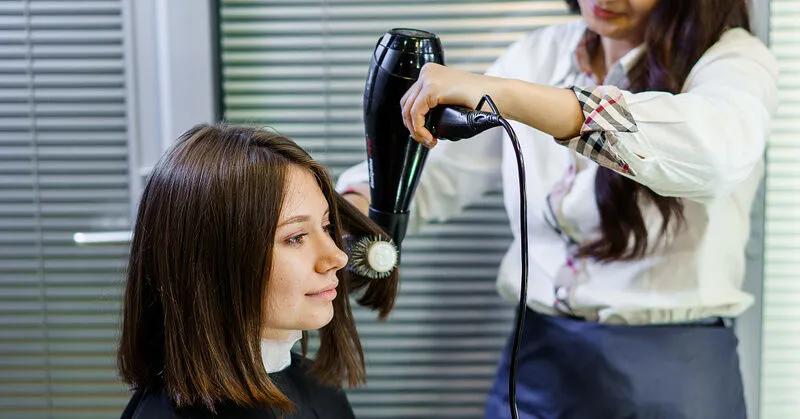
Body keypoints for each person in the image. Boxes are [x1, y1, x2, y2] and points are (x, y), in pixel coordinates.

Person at [337, 0, 779, 418]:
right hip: (539, 363)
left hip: (675, 377)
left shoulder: (733, 61)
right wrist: (353, 209)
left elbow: (714, 155)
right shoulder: (539, 54)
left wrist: (512, 97)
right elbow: (442, 169)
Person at [117, 124, 399, 419]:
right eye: (296, 238)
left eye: (326, 226)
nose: (338, 257)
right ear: (213, 261)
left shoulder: (316, 385)